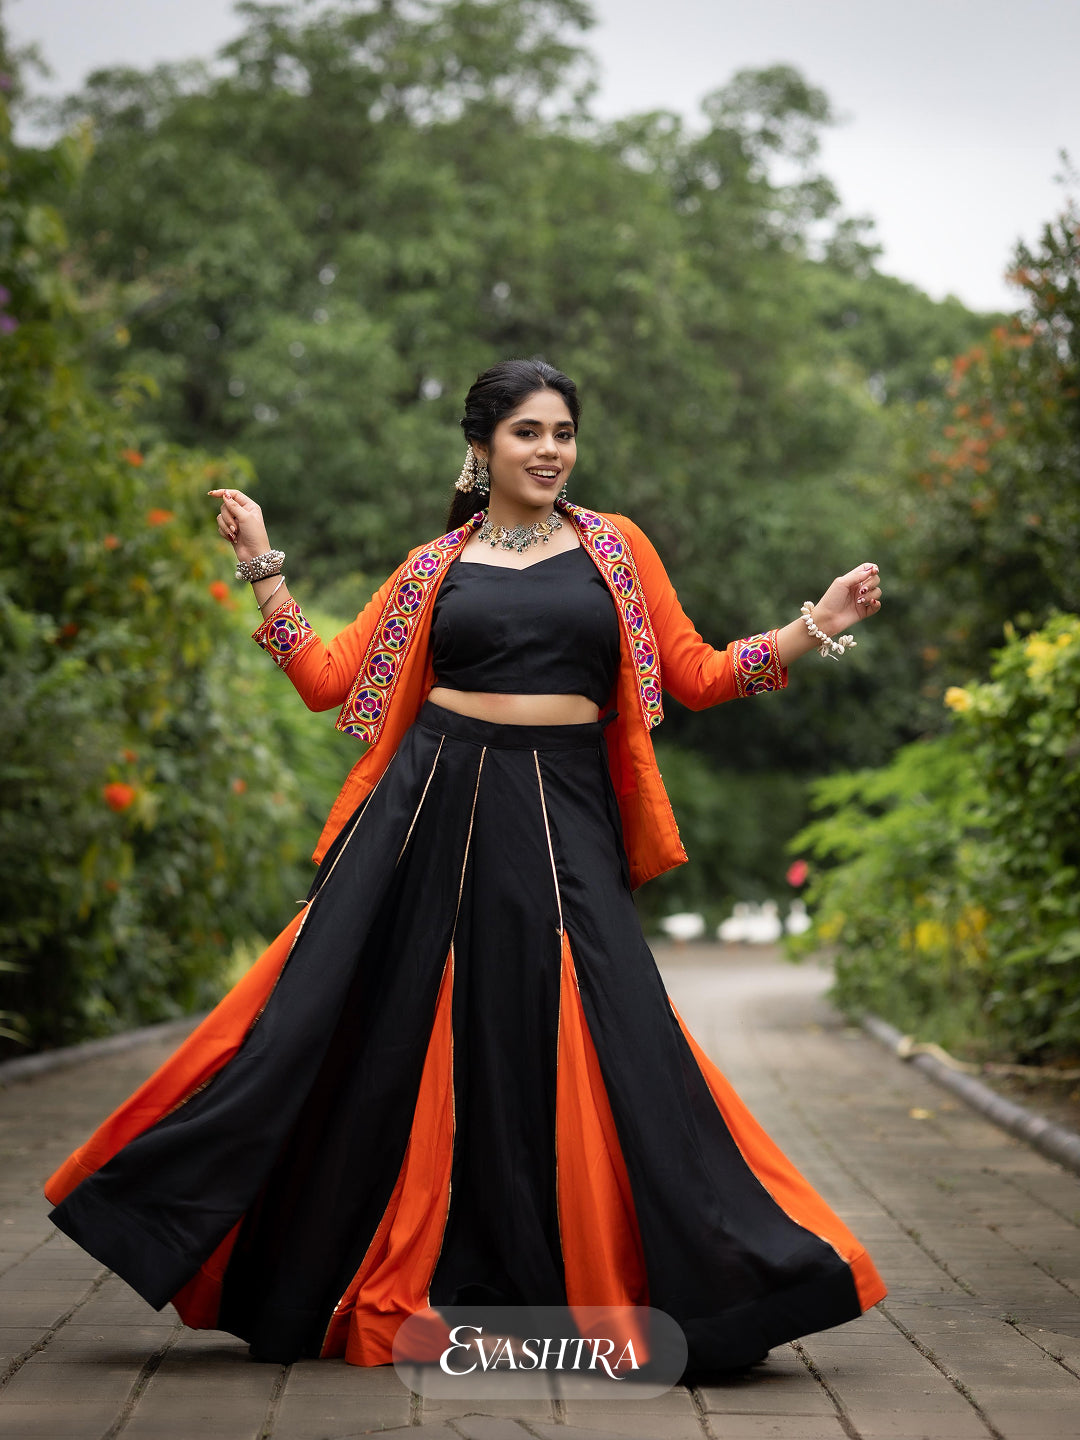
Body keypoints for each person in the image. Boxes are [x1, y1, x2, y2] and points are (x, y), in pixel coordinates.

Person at [45, 358, 887, 1375]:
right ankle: (261, 1244)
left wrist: (815, 629)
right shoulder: (430, 568)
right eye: (529, 432)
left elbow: (695, 676)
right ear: (482, 447)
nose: (550, 450)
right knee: (346, 1029)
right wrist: (264, 565)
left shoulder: (616, 552)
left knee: (614, 1033)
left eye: (564, 433)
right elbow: (326, 681)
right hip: (428, 817)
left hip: (566, 813)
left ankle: (695, 1276)